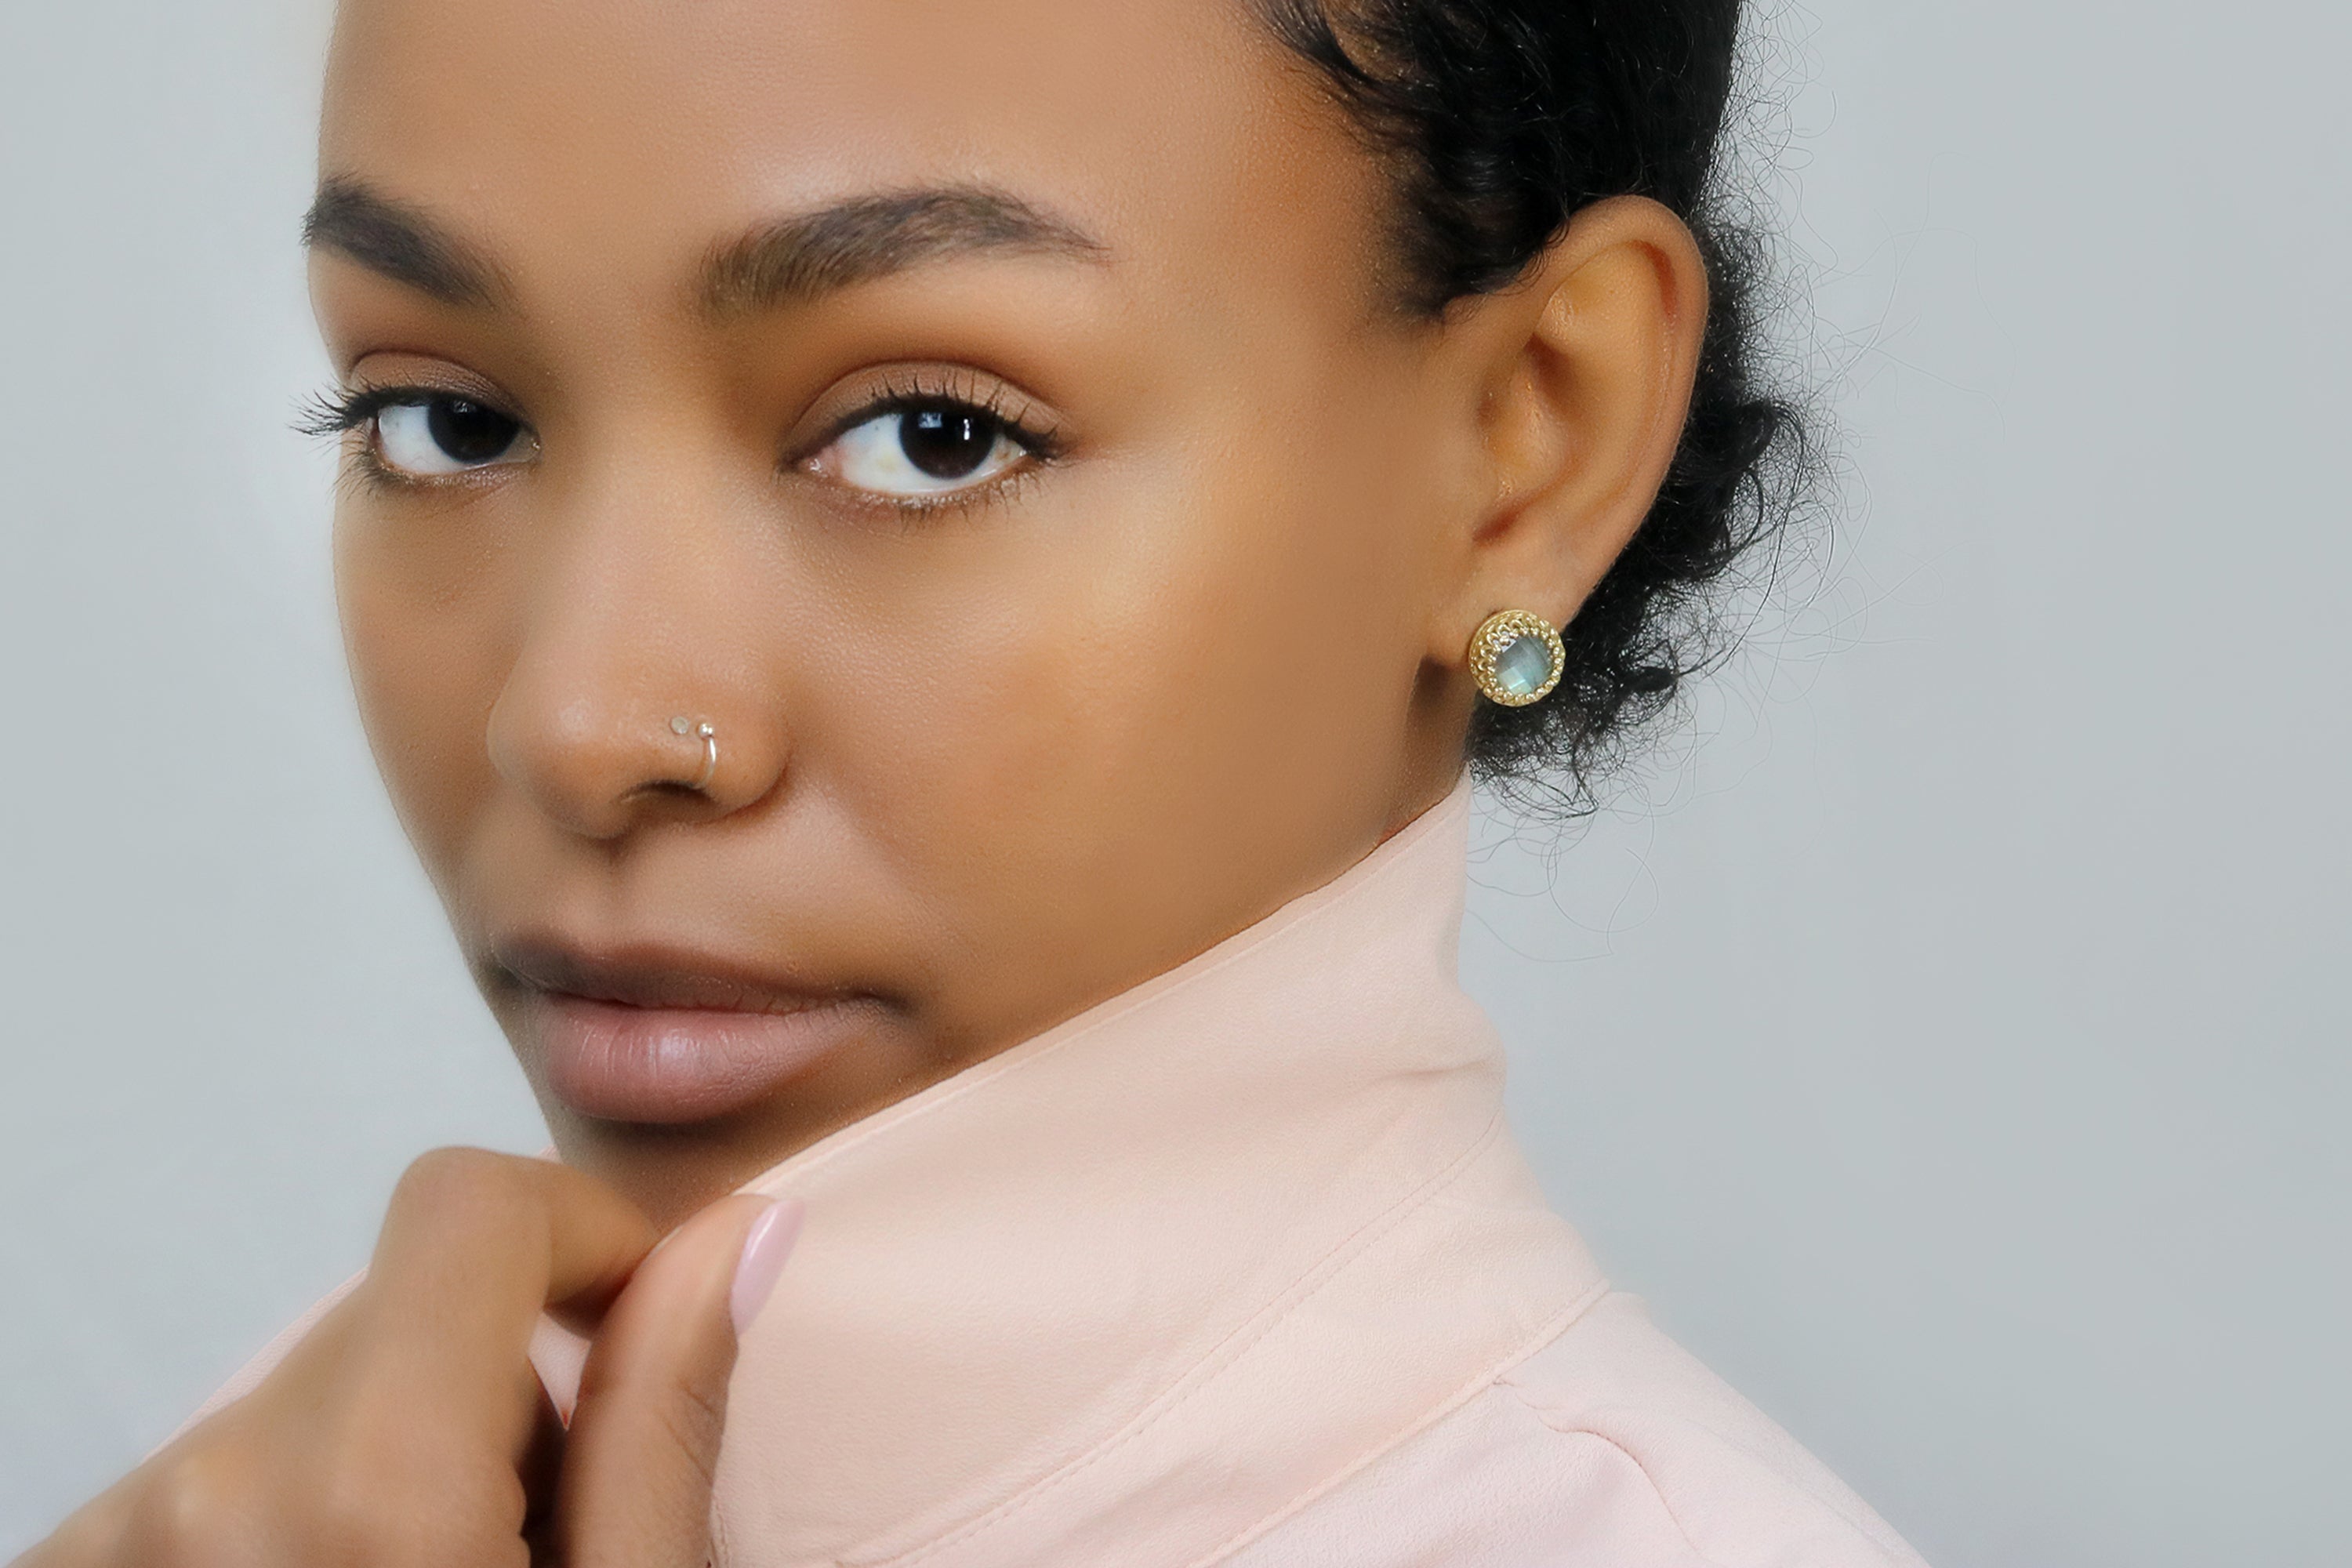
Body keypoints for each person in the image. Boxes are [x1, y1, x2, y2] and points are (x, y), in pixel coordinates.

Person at [19, 0, 1929, 1563]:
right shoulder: (288, 1502)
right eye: (445, 421)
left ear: (1528, 446)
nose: (582, 726)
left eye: (932, 435)